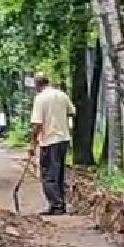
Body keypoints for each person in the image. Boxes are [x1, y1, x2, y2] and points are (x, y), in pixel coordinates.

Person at [28, 75, 75, 216]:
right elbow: (72, 112)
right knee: (59, 173)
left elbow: (37, 124)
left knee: (48, 175)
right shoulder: (62, 95)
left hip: (49, 141)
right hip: (63, 139)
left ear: (37, 84)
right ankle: (60, 203)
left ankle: (56, 205)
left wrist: (32, 144)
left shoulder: (40, 98)